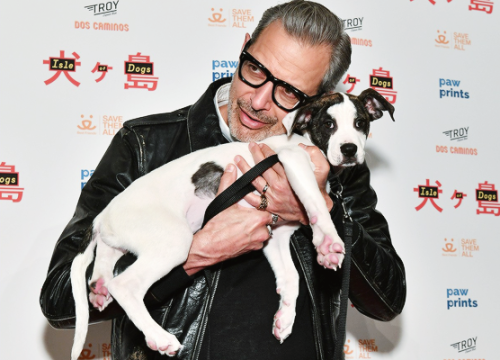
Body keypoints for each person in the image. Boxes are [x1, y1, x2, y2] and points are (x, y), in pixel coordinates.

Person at [40, 1, 406, 359]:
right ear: (243, 46)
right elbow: (59, 300)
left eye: (290, 92)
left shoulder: (337, 165)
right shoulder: (146, 144)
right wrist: (197, 252)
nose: (260, 100)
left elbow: (387, 300)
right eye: (256, 69)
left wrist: (322, 209)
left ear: (317, 103)